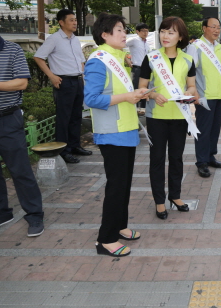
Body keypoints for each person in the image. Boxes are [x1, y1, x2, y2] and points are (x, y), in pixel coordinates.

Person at [84, 13, 149, 257]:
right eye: (119, 30)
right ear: (105, 34)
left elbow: (120, 91)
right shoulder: (98, 61)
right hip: (112, 133)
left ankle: (120, 225)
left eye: (124, 30)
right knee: (116, 186)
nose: (124, 34)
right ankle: (105, 239)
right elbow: (91, 98)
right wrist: (127, 96)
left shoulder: (118, 57)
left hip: (126, 129)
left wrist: (138, 93)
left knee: (123, 184)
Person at [0, 3, 44, 237]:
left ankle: (35, 215)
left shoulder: (13, 50)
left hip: (7, 119)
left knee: (20, 170)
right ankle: (0, 213)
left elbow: (22, 83)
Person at [138, 17, 196, 219]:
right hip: (156, 117)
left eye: (171, 32)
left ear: (180, 36)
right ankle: (159, 201)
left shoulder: (188, 60)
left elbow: (192, 86)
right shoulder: (151, 57)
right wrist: (152, 95)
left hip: (180, 117)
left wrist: (188, 94)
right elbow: (142, 88)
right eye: (163, 31)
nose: (165, 36)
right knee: (157, 159)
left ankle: (175, 196)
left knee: (176, 158)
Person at [34, 9, 91, 164]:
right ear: (61, 22)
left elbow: (81, 61)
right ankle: (63, 151)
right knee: (63, 118)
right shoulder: (54, 39)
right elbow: (38, 57)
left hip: (77, 80)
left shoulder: (74, 39)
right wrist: (51, 76)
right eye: (71, 20)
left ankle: (75, 146)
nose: (75, 23)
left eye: (75, 20)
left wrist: (84, 77)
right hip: (63, 82)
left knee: (76, 116)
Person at [188, 17, 221, 178]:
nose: (216, 30)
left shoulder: (220, 47)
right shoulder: (195, 47)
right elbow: (189, 72)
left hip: (218, 95)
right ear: (204, 28)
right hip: (203, 97)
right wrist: (194, 93)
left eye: (218, 27)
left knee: (215, 129)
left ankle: (210, 156)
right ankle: (201, 162)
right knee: (203, 130)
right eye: (213, 27)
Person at [126, 23, 150, 114]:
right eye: (143, 30)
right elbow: (121, 46)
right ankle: (134, 109)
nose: (145, 33)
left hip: (146, 69)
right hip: (137, 68)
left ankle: (143, 109)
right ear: (137, 31)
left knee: (144, 89)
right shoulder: (134, 40)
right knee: (136, 88)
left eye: (147, 31)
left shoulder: (147, 44)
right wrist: (127, 59)